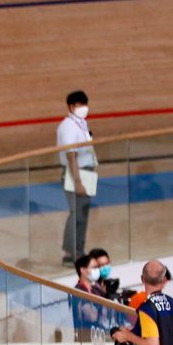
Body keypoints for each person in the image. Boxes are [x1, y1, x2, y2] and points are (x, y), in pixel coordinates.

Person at [58, 91, 96, 265]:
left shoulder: (81, 124)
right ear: (72, 107)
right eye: (80, 105)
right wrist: (78, 181)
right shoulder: (68, 126)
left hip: (86, 171)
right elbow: (71, 156)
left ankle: (79, 251)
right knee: (77, 214)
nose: (84, 108)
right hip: (76, 173)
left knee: (83, 214)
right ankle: (69, 253)